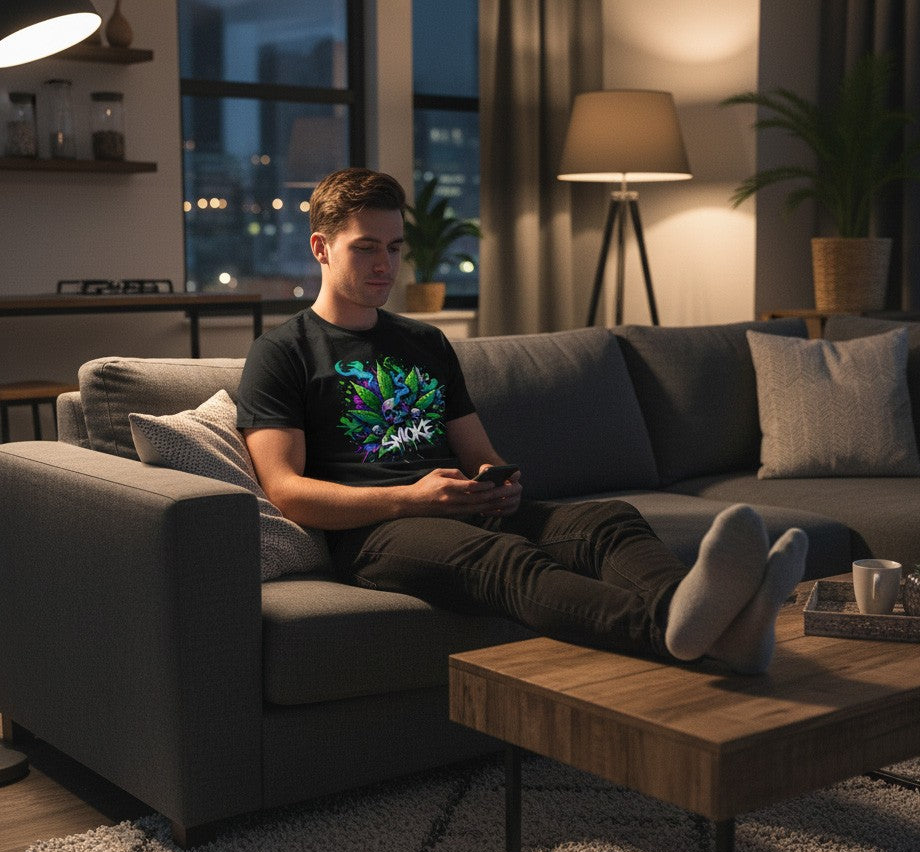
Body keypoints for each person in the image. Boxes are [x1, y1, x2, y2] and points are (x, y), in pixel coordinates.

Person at [236, 167, 808, 673]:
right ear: (321, 248)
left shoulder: (426, 342)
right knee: (506, 561)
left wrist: (500, 483)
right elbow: (286, 492)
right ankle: (696, 632)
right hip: (373, 532)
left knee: (610, 520)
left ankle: (706, 620)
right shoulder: (284, 352)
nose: (385, 264)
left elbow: (479, 453)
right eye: (366, 248)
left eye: (394, 246)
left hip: (458, 506)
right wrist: (410, 498)